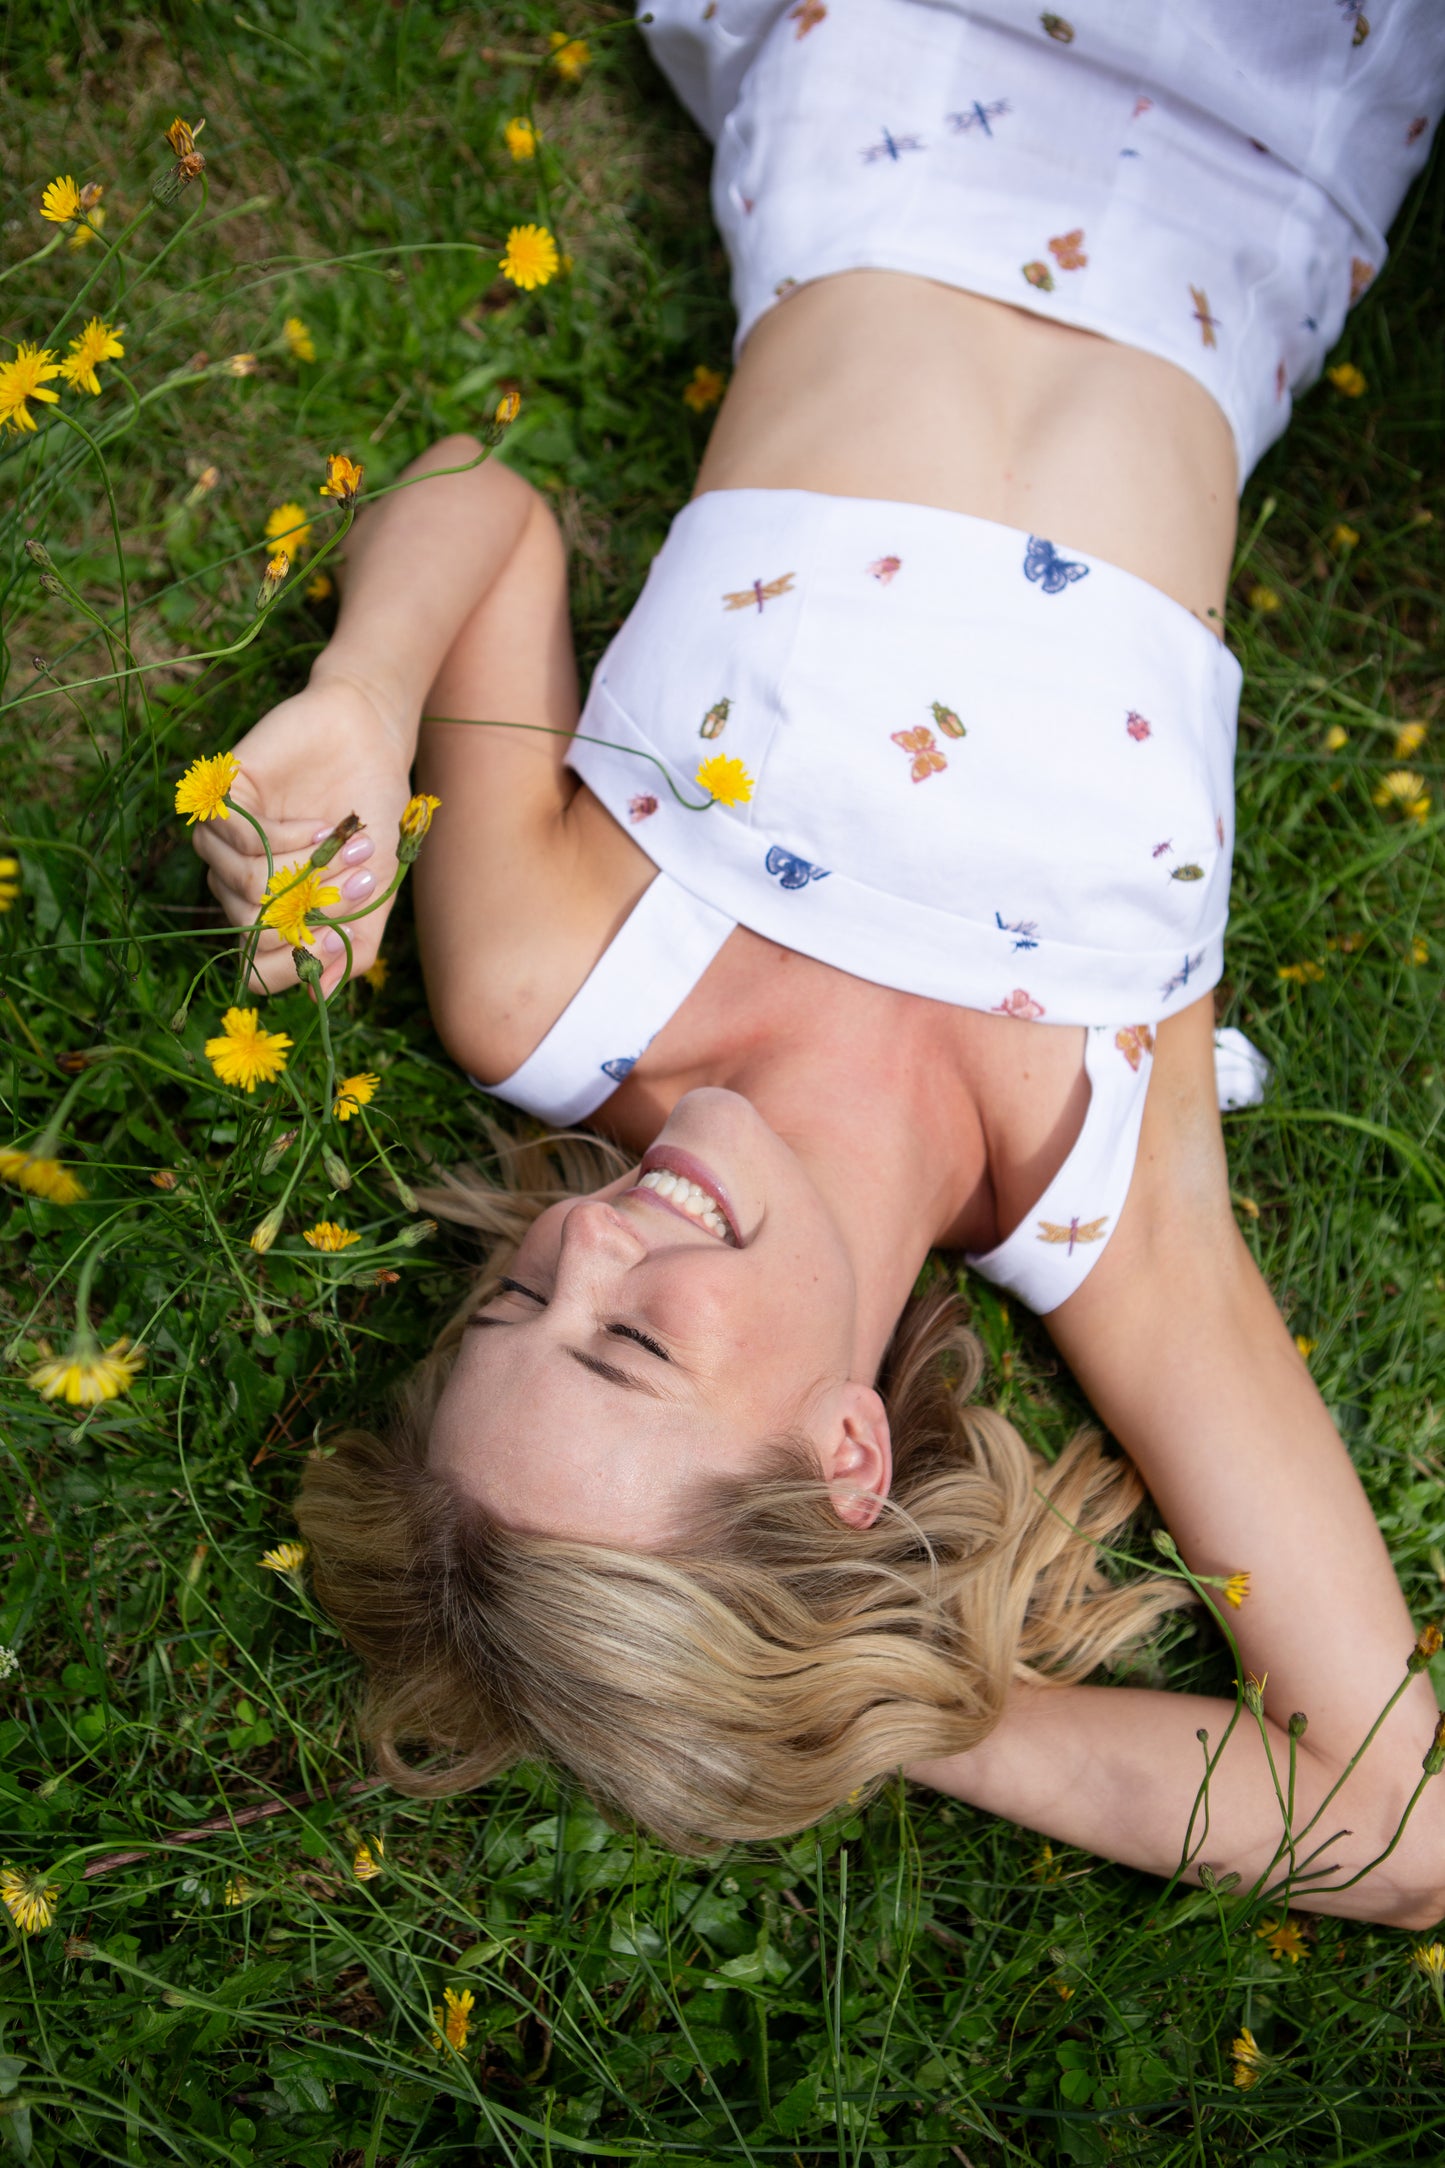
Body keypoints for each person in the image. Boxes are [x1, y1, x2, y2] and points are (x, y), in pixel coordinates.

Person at [193, 2, 1445, 1919]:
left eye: (511, 1308)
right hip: (1272, 134)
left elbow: (480, 499)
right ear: (846, 1452)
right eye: (625, 1343)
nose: (587, 1238)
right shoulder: (1105, 1197)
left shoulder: (560, 989)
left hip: (893, 59)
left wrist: (361, 700)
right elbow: (1389, 1825)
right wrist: (879, 1701)